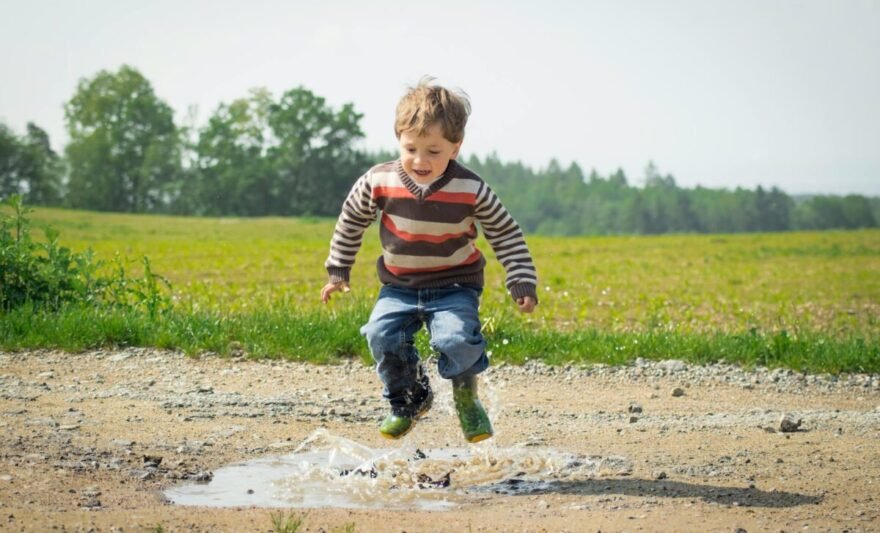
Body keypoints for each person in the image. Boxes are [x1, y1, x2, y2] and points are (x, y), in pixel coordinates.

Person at [321, 77, 538, 443]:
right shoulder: (379, 180)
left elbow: (505, 233)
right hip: (399, 287)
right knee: (381, 335)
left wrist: (521, 279)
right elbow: (351, 220)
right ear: (399, 140)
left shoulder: (472, 189)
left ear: (456, 147)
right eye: (411, 148)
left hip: (455, 286)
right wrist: (338, 269)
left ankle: (466, 398)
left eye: (433, 151)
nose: (420, 161)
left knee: (455, 340)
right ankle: (409, 399)